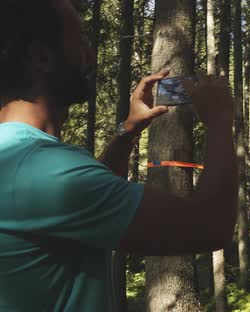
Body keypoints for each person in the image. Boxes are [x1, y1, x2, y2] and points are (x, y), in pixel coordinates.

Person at [0, 0, 237, 310]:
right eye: (80, 41)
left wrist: (128, 130)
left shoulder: (21, 159)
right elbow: (210, 227)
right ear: (41, 57)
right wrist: (220, 121)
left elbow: (85, 200)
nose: (91, 54)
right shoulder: (42, 168)